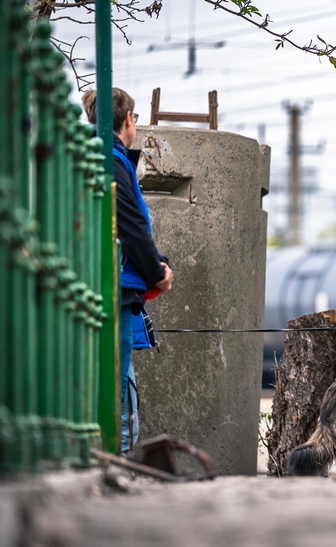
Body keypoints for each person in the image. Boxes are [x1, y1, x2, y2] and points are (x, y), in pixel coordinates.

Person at [82, 88, 174, 455]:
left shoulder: (95, 155)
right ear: (129, 119)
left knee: (113, 386)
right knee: (118, 391)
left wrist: (156, 262)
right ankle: (114, 466)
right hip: (117, 287)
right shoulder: (112, 160)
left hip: (110, 280)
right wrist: (157, 272)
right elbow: (131, 226)